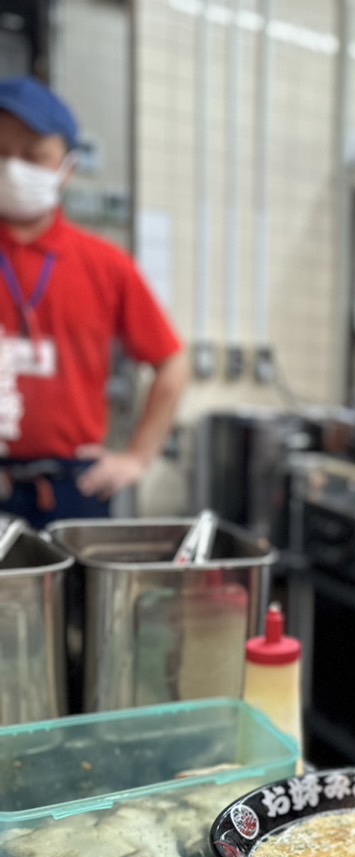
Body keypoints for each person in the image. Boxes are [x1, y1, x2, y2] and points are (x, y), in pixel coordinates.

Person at [0, 77, 186, 528]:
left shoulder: (104, 265)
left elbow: (172, 363)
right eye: (0, 152)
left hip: (73, 489)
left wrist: (139, 457)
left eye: (33, 155)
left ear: (67, 166)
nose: (12, 168)